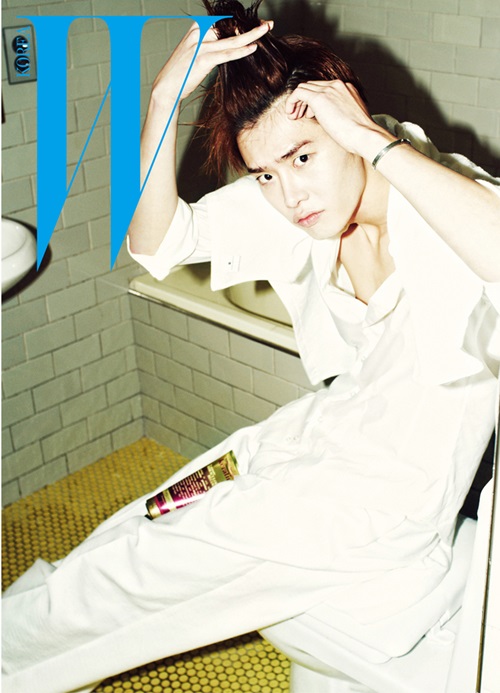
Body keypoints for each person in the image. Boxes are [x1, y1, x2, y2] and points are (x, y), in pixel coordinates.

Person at [3, 2, 500, 692]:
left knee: (146, 569)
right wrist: (161, 103)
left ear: (350, 125)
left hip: (383, 502)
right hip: (331, 430)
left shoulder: (444, 200)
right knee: (151, 517)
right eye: (264, 173)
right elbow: (155, 244)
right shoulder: (300, 200)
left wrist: (373, 142)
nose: (289, 194)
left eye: (303, 157)